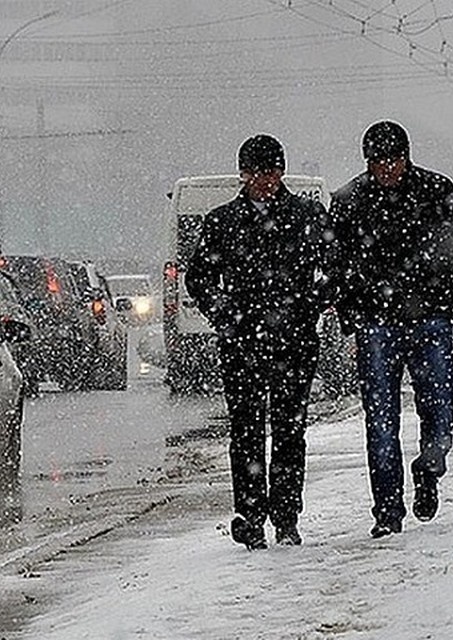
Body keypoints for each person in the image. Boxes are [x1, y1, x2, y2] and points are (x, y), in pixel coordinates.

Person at [327, 120, 453, 539]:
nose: (387, 169)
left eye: (393, 160)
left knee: (440, 405)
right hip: (379, 321)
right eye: (379, 162)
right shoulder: (350, 200)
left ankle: (429, 468)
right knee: (380, 420)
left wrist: (447, 307)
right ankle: (388, 509)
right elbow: (337, 263)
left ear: (406, 158)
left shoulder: (435, 190)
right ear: (368, 162)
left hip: (427, 317)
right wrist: (354, 317)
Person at [186, 134, 331, 550]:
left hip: (294, 341)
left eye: (270, 172)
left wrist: (309, 306)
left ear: (280, 172)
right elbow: (199, 278)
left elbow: (336, 266)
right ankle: (250, 515)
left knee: (289, 430)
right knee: (246, 431)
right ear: (243, 175)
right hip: (242, 343)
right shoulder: (223, 221)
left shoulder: (306, 215)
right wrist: (227, 316)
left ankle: (286, 516)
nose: (264, 181)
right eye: (256, 173)